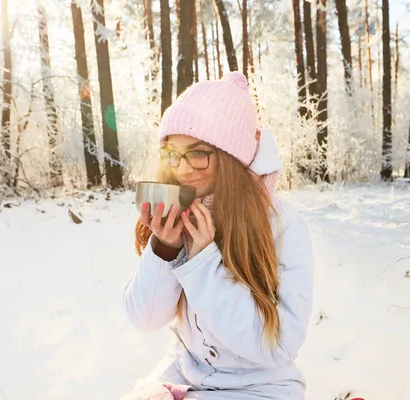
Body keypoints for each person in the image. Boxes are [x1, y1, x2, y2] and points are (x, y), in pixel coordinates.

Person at [122, 71, 314, 400]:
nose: (182, 169)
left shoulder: (283, 226)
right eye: (173, 153)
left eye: (198, 153)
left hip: (260, 388)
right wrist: (166, 250)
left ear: (230, 158)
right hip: (185, 371)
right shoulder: (179, 211)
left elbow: (278, 343)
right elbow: (144, 319)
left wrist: (202, 263)